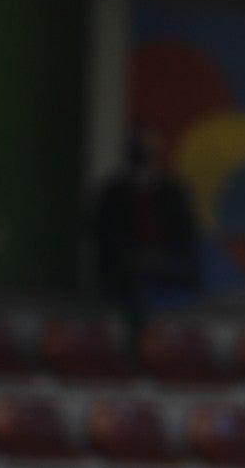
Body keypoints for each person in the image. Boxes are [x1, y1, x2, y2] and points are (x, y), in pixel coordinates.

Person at [84, 138, 198, 360]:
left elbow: (185, 234)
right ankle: (138, 352)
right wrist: (132, 255)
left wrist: (158, 255)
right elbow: (101, 233)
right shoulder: (113, 192)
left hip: (166, 263)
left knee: (184, 266)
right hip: (128, 268)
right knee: (138, 283)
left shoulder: (172, 190)